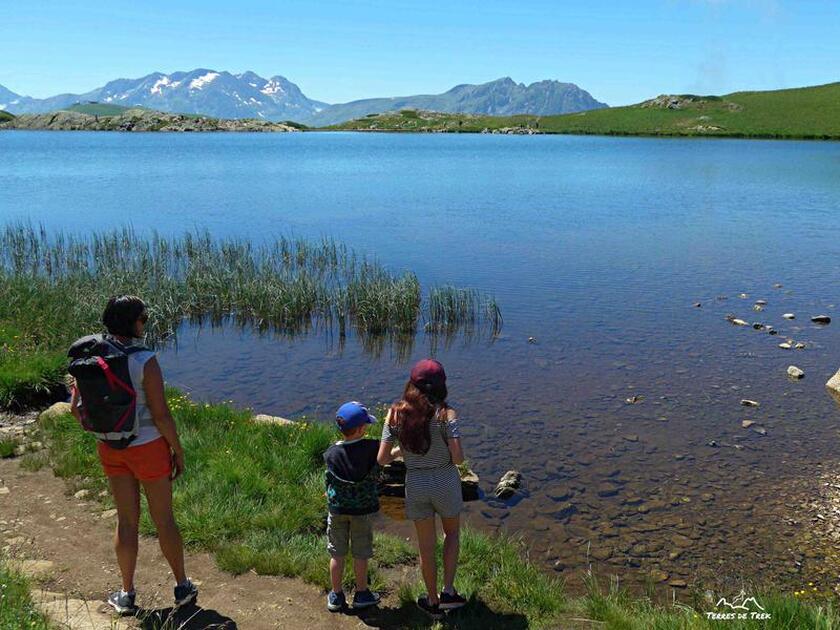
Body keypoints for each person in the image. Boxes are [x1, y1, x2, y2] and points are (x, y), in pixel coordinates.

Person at [69, 296, 197, 615]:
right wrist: (177, 451)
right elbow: (162, 415)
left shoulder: (92, 355)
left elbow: (75, 409)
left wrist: (105, 433)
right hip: (149, 448)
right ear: (132, 322)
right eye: (144, 317)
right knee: (164, 519)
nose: (146, 322)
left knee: (126, 521)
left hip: (111, 448)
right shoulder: (144, 360)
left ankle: (126, 594)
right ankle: (182, 586)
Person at [377, 359, 467, 619]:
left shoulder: (395, 414)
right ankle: (448, 592)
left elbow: (382, 459)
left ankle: (431, 601)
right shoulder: (446, 414)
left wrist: (400, 451)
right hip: (445, 481)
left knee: (425, 546)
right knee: (451, 535)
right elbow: (458, 458)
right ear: (441, 386)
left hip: (416, 483)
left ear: (411, 385)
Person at [323, 401, 382, 612]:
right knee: (361, 553)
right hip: (362, 512)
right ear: (361, 429)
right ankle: (362, 593)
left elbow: (328, 480)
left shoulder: (330, 453)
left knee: (337, 554)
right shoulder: (371, 447)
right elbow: (384, 456)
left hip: (337, 510)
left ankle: (336, 595)